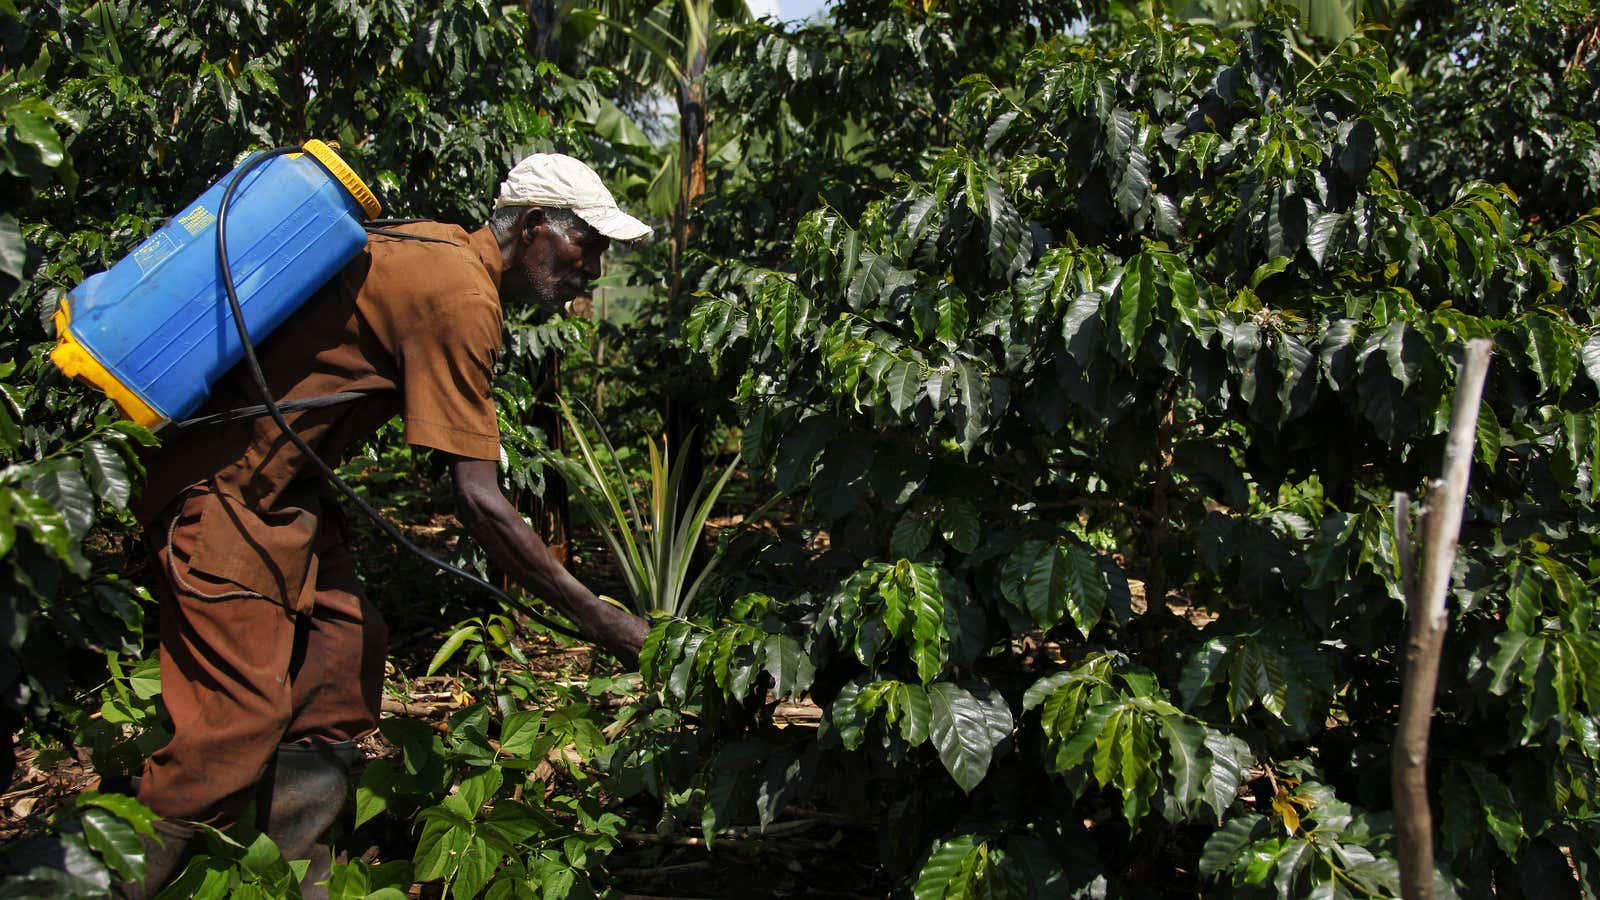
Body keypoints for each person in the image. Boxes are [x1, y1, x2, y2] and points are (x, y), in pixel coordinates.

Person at [117, 153, 652, 899]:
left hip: (288, 501)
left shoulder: (436, 246)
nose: (591, 268)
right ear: (533, 227)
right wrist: (603, 621)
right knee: (233, 727)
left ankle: (300, 881)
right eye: (585, 244)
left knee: (339, 663)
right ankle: (91, 882)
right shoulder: (461, 297)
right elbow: (480, 499)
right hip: (226, 493)